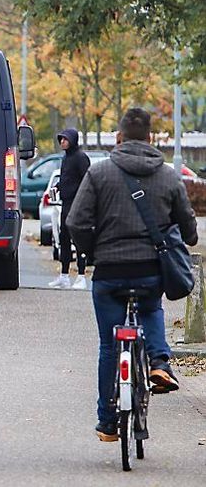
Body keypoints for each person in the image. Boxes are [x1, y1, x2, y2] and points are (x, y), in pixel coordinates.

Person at [66, 107, 197, 442]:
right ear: (150, 138)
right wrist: (187, 237)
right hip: (149, 272)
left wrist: (93, 251)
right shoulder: (168, 176)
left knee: (109, 346)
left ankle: (107, 423)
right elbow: (188, 226)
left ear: (118, 137)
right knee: (151, 308)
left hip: (109, 273)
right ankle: (158, 363)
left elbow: (75, 222)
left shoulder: (99, 174)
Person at [49, 128, 91, 290]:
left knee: (78, 238)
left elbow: (86, 179)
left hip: (77, 204)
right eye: (60, 139)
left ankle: (81, 276)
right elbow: (68, 178)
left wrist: (83, 200)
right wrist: (58, 187)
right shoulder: (66, 158)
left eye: (65, 139)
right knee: (64, 238)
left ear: (73, 140)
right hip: (65, 203)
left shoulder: (80, 158)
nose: (62, 142)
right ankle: (64, 275)